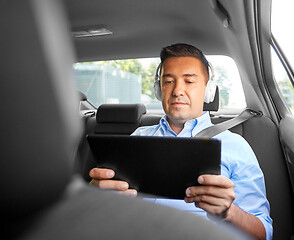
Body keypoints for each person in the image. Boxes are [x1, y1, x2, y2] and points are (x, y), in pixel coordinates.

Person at [89, 43, 273, 240]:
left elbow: (264, 233)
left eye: (189, 81)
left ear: (208, 90)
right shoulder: (138, 138)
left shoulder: (236, 146)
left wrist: (229, 213)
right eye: (168, 81)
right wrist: (94, 195)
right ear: (159, 90)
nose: (177, 90)